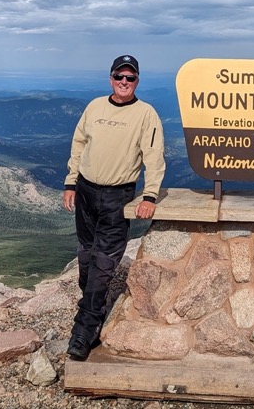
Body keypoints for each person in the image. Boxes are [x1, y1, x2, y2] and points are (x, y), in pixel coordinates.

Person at [62, 54, 166, 361]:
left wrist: (149, 195)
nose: (124, 82)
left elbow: (154, 157)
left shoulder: (146, 114)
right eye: (119, 77)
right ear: (110, 79)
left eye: (129, 78)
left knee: (104, 262)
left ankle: (84, 331)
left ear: (137, 82)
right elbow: (79, 144)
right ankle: (93, 307)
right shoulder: (95, 106)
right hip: (85, 190)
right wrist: (70, 183)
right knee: (85, 257)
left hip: (117, 196)